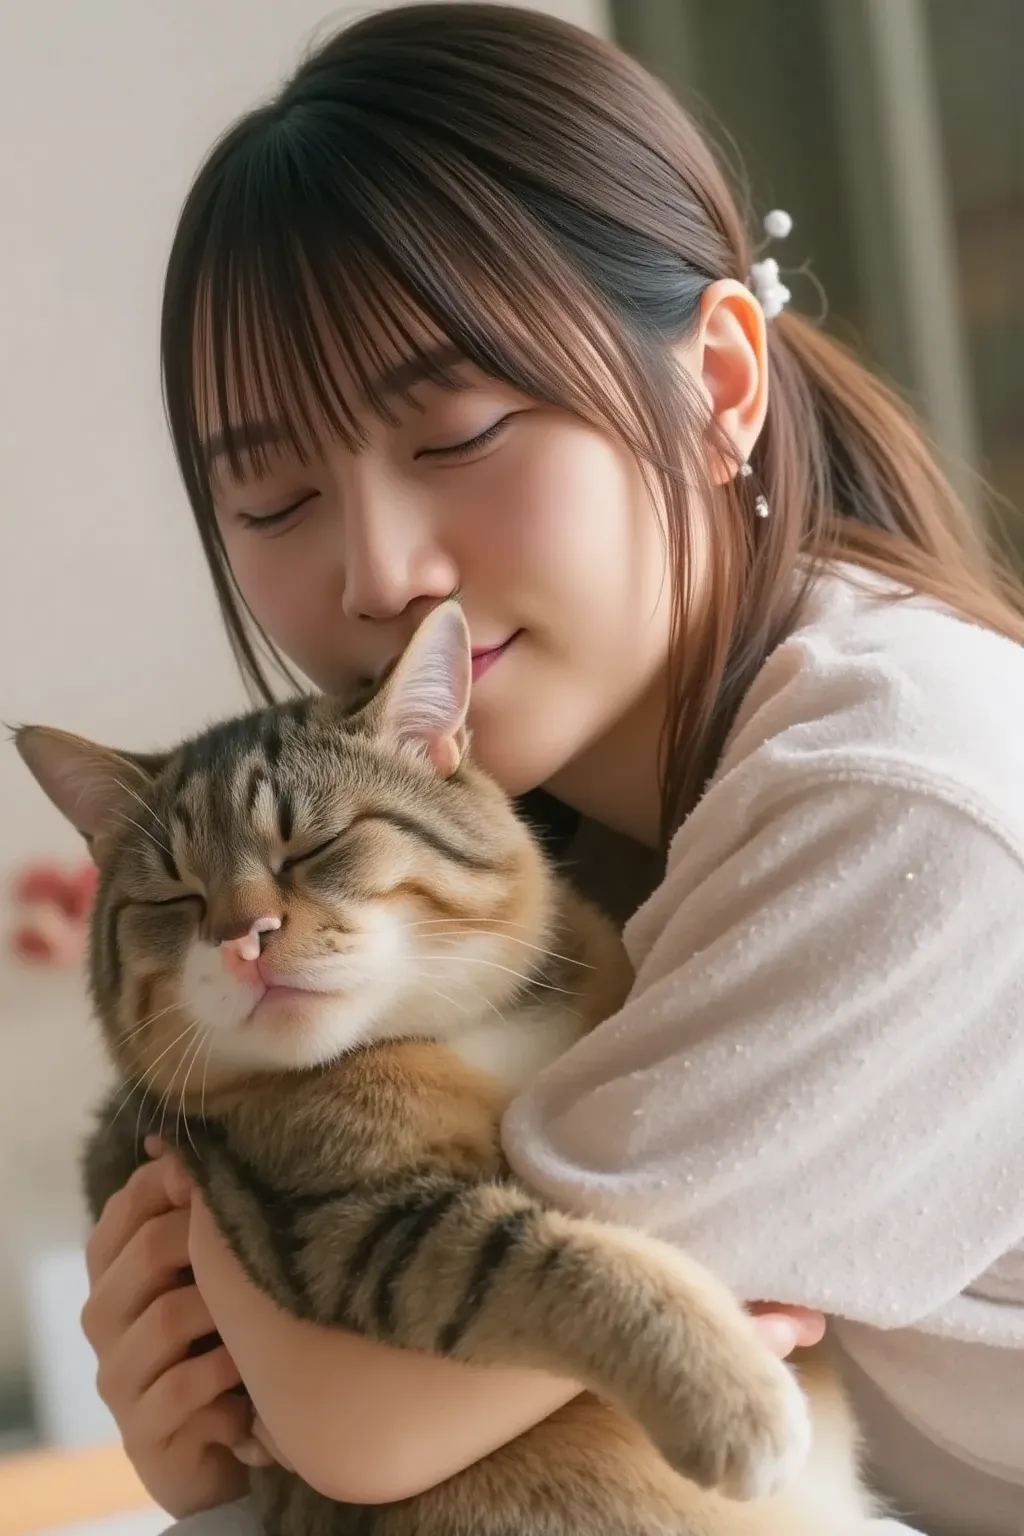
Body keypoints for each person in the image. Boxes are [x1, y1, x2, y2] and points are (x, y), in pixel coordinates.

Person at [78, 6, 1024, 1535]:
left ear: (720, 381)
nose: (378, 570)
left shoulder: (904, 795)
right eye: (273, 493)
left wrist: (246, 1326)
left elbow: (362, 1408)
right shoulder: (564, 829)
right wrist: (196, 1423)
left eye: (457, 430)